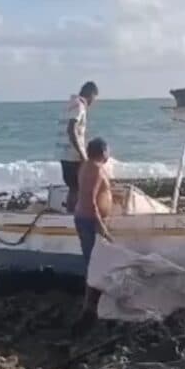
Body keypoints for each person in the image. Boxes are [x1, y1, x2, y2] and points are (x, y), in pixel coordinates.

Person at [73, 137, 114, 330]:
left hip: (85, 219)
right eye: (108, 150)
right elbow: (91, 201)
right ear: (103, 151)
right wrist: (102, 227)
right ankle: (89, 310)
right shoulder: (96, 169)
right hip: (90, 221)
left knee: (94, 263)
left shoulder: (86, 166)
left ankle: (92, 305)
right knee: (95, 265)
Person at [56, 81, 99, 213]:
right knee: (77, 188)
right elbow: (71, 130)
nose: (92, 103)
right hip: (72, 155)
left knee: (73, 188)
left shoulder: (69, 104)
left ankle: (72, 213)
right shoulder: (79, 106)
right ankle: (74, 216)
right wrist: (82, 154)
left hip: (63, 153)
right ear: (90, 94)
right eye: (93, 99)